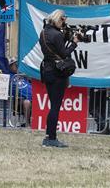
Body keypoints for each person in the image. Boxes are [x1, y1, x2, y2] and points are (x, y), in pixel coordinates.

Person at [39, 9, 80, 148]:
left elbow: (55, 50)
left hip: (47, 71)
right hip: (57, 73)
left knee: (53, 105)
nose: (64, 23)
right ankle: (51, 138)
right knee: (55, 106)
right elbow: (64, 54)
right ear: (58, 19)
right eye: (63, 20)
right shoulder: (56, 35)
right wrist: (74, 43)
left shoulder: (44, 33)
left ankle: (48, 136)